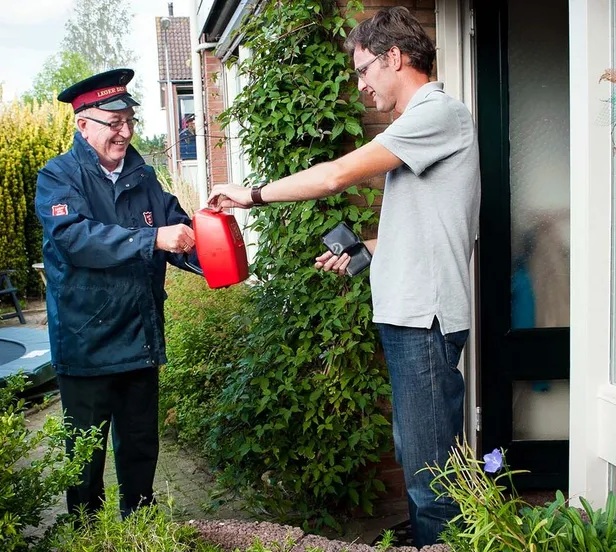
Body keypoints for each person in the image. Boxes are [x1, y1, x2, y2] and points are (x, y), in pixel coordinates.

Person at [207, 7, 480, 546]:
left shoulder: (437, 113)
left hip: (424, 320)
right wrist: (365, 250)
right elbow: (431, 229)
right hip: (410, 317)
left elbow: (336, 175)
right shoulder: (417, 126)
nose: (360, 85)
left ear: (395, 58)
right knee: (417, 457)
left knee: (432, 481)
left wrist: (254, 194)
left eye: (363, 70)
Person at [35, 68, 200, 518]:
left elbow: (177, 227)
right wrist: (153, 240)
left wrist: (214, 252)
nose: (125, 132)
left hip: (140, 339)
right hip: (86, 345)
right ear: (82, 124)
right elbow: (76, 239)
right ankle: (88, 538)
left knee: (141, 451)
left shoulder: (143, 176)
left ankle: (140, 531)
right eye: (114, 123)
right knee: (84, 464)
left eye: (129, 119)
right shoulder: (57, 178)